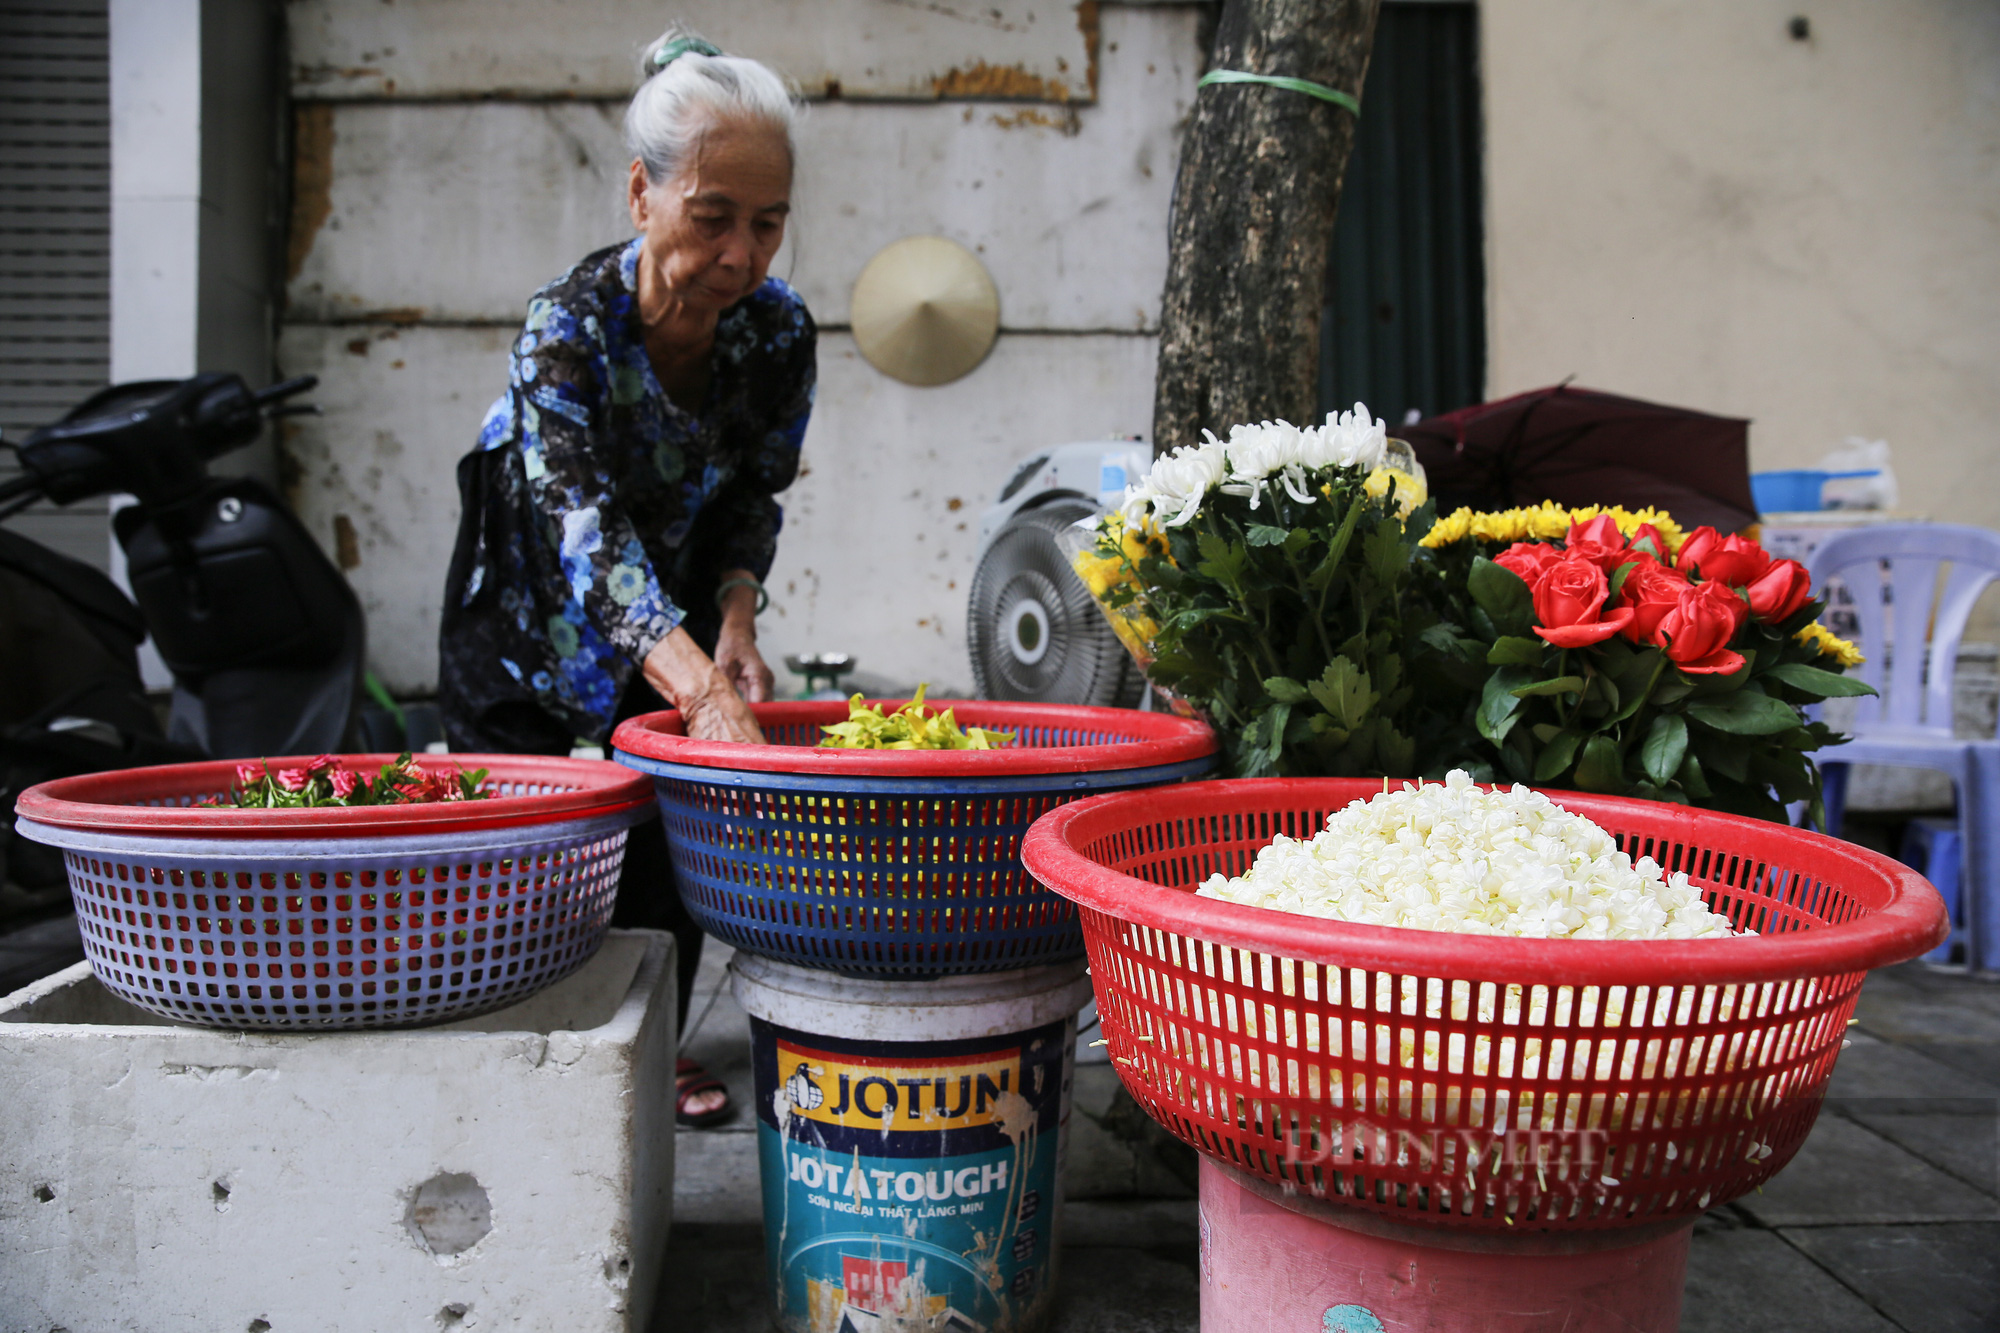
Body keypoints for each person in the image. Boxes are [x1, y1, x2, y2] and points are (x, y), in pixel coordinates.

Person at [438, 27, 813, 1127]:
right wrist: (701, 688)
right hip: (523, 613)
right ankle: (525, 1059)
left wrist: (734, 621)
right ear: (641, 193)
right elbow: (583, 529)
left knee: (661, 846)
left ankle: (653, 1044)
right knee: (526, 857)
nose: (742, 255)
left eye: (767, 223)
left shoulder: (776, 332)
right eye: (712, 219)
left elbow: (753, 492)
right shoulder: (567, 325)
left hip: (675, 607)